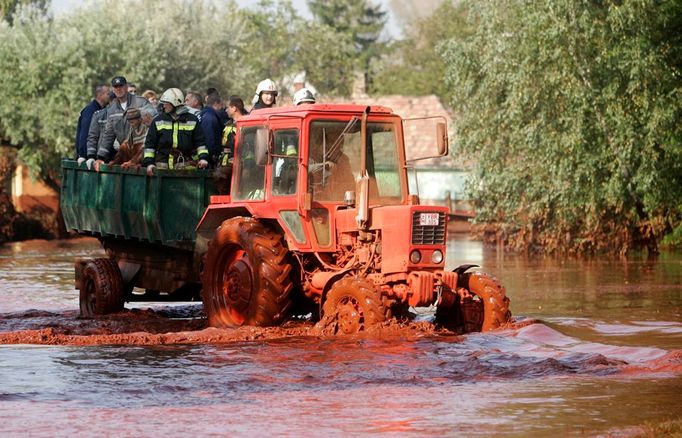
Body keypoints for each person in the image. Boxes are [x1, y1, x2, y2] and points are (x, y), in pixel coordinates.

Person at [142, 88, 209, 176]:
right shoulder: (158, 121)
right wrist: (149, 163)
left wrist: (203, 158)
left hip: (185, 166)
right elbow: (150, 145)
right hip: (161, 167)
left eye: (166, 103)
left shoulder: (192, 120)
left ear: (175, 103)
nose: (163, 106)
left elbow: (201, 143)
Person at [97, 75, 148, 164]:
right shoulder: (112, 110)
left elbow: (154, 124)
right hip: (125, 154)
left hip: (143, 155)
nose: (119, 89)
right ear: (113, 89)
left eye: (121, 86)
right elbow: (108, 135)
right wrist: (100, 157)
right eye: (116, 87)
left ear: (126, 87)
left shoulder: (142, 102)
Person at [75, 84, 110, 163]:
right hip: (88, 158)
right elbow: (85, 134)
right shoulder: (90, 111)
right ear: (100, 95)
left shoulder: (104, 111)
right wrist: (84, 155)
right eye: (108, 93)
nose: (110, 96)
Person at [199, 93, 225, 165]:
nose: (223, 108)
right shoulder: (210, 117)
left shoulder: (204, 114)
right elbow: (209, 137)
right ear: (216, 103)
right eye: (221, 105)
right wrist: (213, 154)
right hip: (208, 157)